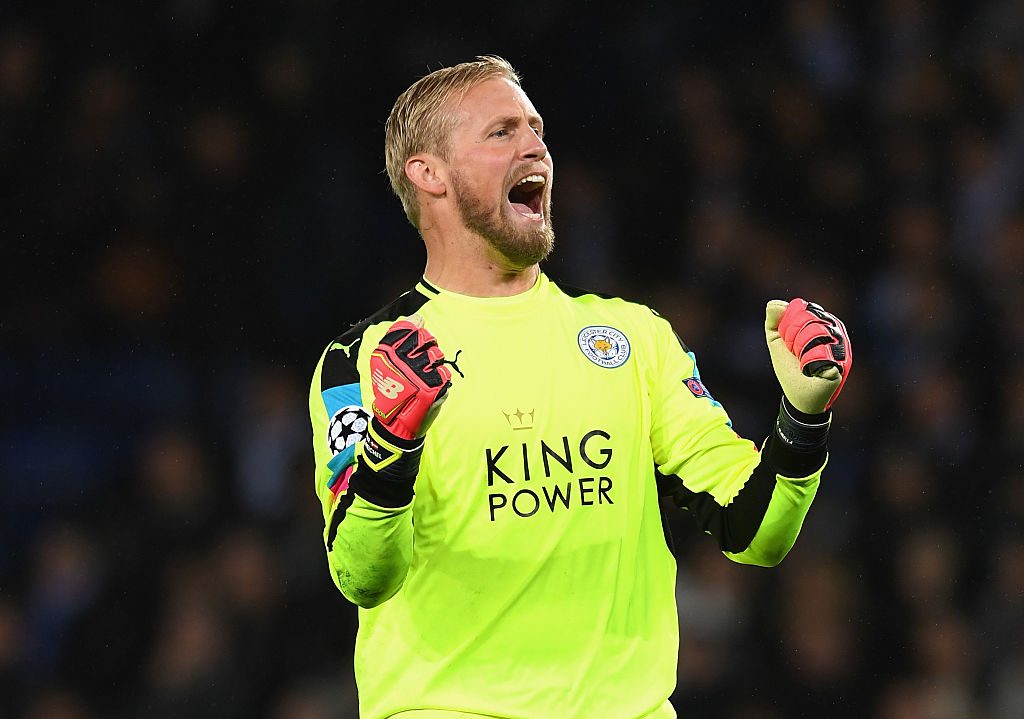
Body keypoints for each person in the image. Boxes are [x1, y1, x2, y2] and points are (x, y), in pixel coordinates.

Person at [308, 55, 852, 719]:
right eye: (502, 132)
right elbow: (362, 573)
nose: (535, 146)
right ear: (430, 174)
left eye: (536, 129)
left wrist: (802, 418)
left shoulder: (634, 339)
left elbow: (757, 530)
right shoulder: (367, 359)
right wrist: (393, 443)